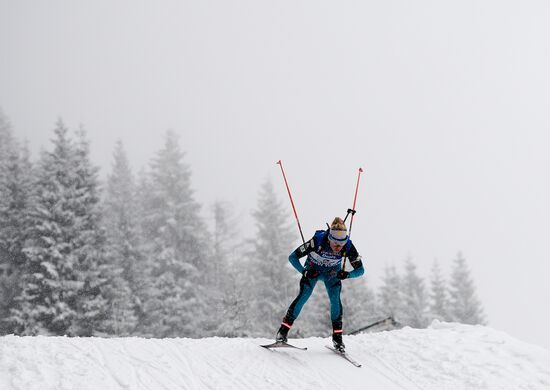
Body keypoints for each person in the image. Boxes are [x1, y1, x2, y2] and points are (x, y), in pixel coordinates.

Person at [275, 217, 365, 351]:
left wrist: (347, 274)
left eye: (341, 244)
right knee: (303, 297)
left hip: (332, 275)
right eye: (335, 243)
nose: (338, 248)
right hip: (313, 272)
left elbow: (361, 270)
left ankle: (338, 339)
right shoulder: (317, 241)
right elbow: (292, 257)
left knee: (335, 300)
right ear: (329, 238)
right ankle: (282, 332)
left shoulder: (348, 246)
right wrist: (304, 272)